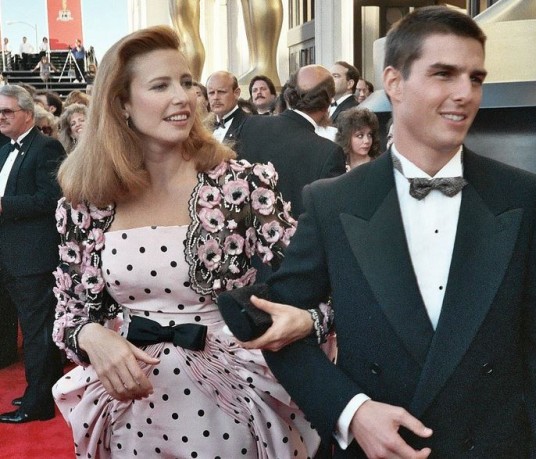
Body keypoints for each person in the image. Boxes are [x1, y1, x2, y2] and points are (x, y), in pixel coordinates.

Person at [239, 6, 536, 457]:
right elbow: (275, 326)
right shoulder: (333, 201)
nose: (465, 93)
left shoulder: (525, 197)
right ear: (394, 82)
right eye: (444, 74)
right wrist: (352, 412)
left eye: (475, 78)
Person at [51, 25, 330, 458]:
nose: (183, 97)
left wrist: (311, 320)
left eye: (186, 83)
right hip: (130, 410)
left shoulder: (241, 183)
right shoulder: (88, 201)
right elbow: (68, 313)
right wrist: (90, 335)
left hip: (229, 404)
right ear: (122, 104)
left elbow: (322, 281)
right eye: (160, 85)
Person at [0, 84, 65, 423]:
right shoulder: (4, 148)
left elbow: (52, 198)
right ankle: (43, 392)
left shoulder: (47, 147)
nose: (1, 117)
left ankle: (38, 403)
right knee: (35, 329)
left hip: (33, 257)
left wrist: (3, 206)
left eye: (7, 111)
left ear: (27, 113)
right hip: (9, 255)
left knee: (38, 330)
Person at [236, 65, 346, 219]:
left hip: (247, 237)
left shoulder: (251, 125)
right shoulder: (329, 152)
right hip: (298, 241)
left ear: (288, 96)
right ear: (328, 102)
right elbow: (331, 216)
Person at [206, 70, 248, 144]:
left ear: (236, 93)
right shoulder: (204, 127)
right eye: (211, 93)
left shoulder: (248, 125)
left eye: (221, 92)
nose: (215, 97)